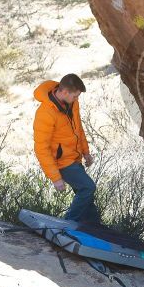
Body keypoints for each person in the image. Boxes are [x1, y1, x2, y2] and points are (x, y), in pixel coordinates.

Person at [32, 74, 100, 223]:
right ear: (64, 92)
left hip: (74, 158)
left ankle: (96, 228)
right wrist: (55, 178)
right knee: (88, 188)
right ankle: (68, 225)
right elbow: (41, 148)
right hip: (62, 163)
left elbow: (78, 129)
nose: (77, 99)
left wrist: (86, 152)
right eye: (75, 96)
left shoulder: (72, 103)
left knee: (86, 199)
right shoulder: (45, 113)